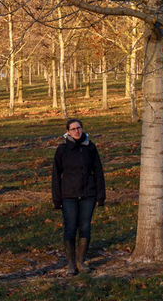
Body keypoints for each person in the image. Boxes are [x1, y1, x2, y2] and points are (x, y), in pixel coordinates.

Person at [51, 116, 106, 275]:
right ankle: (70, 264)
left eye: (79, 128)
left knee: (85, 227)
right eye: (73, 129)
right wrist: (56, 199)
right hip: (68, 195)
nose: (77, 131)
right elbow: (56, 175)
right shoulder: (62, 150)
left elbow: (98, 172)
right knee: (70, 228)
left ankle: (81, 261)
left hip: (88, 193)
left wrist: (100, 196)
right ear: (68, 132)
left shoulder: (90, 147)